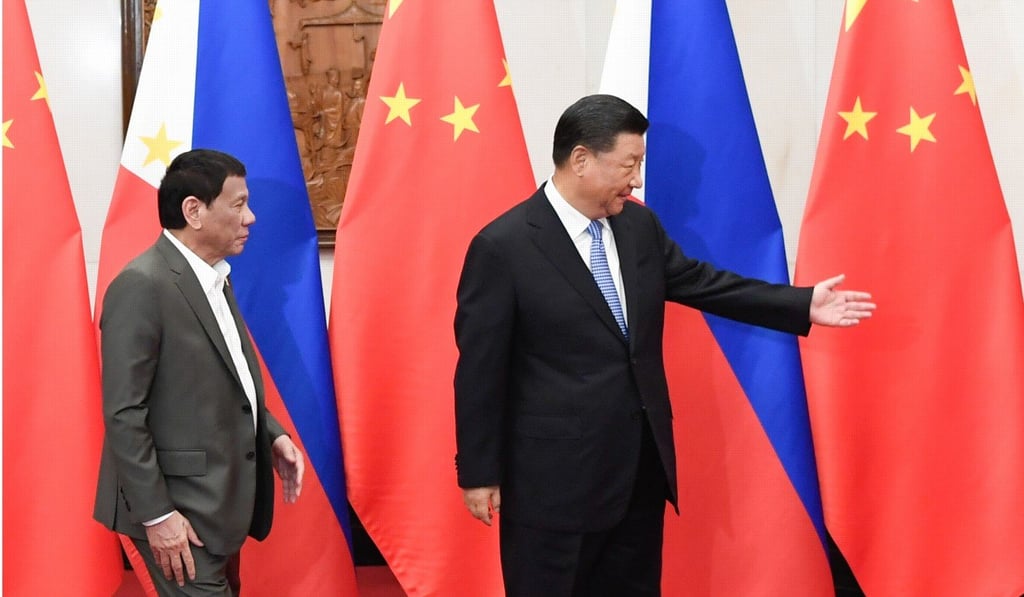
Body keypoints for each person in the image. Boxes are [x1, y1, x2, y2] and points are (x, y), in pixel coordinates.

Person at [453, 94, 875, 596]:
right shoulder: (503, 247)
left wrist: (800, 305)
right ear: (582, 159)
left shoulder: (637, 225)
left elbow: (702, 282)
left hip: (638, 473)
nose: (637, 179)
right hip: (553, 485)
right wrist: (479, 473)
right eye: (629, 164)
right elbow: (480, 370)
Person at [94, 149, 305, 596]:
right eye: (238, 204)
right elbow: (124, 412)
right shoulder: (141, 285)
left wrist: (271, 434)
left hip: (218, 504)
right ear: (194, 211)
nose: (251, 217)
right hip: (178, 511)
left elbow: (224, 381)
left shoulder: (214, 277)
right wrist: (158, 516)